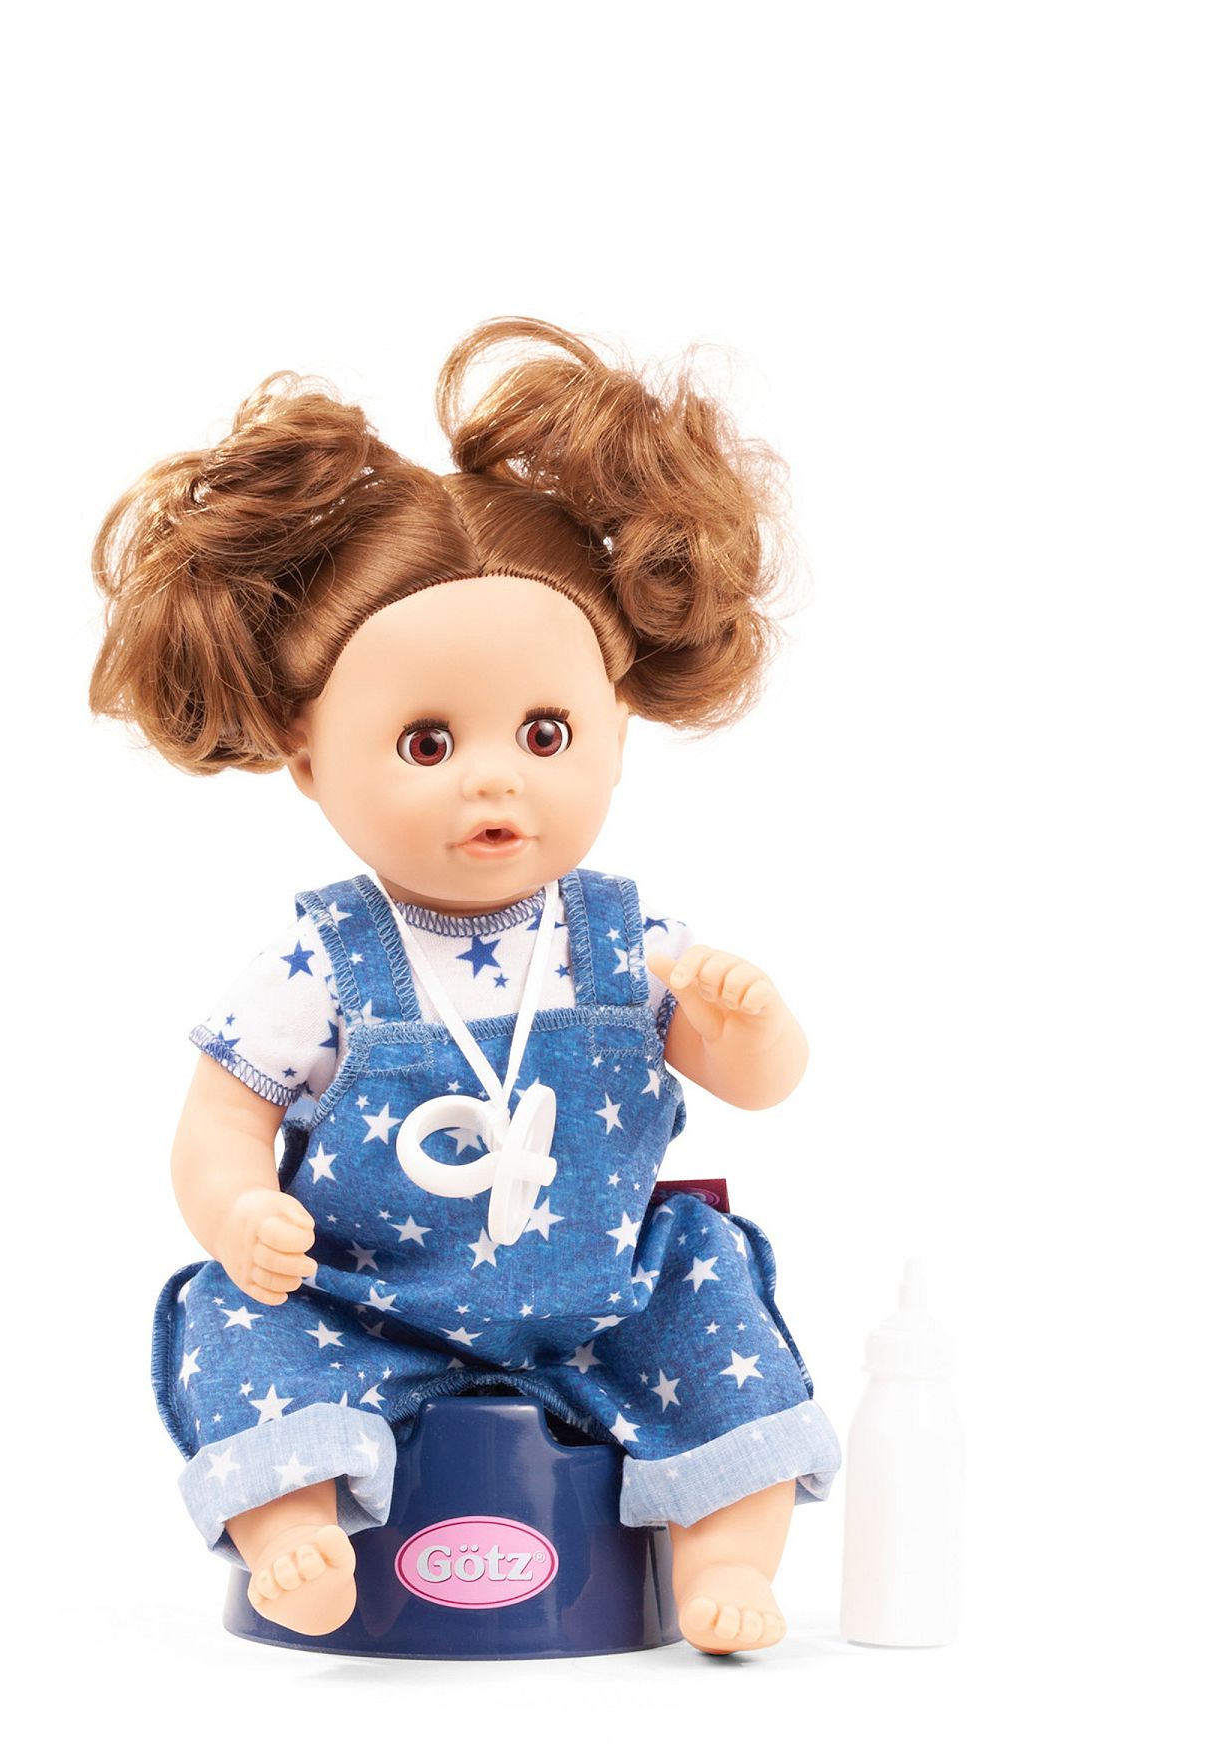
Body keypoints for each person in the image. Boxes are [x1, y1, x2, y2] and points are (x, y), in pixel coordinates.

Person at [91, 318, 840, 1655]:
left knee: (713, 1285)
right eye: (428, 742)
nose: (494, 776)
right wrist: (241, 1209)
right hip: (367, 1307)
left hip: (602, 1300)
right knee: (233, 1321)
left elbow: (757, 1084)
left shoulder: (626, 940)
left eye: (544, 732)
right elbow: (219, 1120)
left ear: (617, 733)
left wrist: (754, 1027)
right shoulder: (320, 964)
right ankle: (296, 1528)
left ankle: (727, 1554)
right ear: (309, 757)